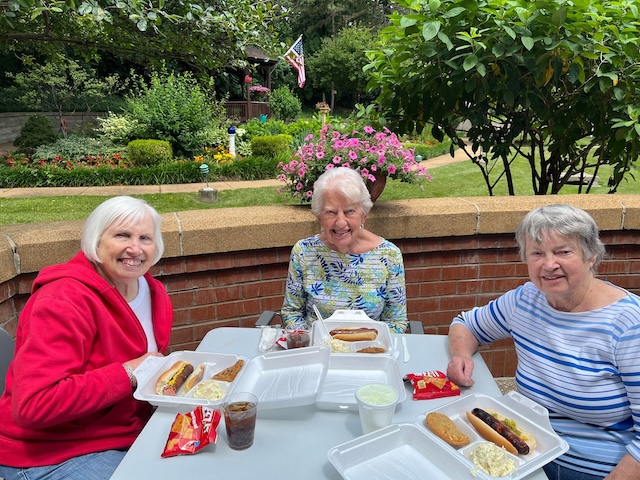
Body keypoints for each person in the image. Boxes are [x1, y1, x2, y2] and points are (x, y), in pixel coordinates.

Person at [446, 204, 640, 479]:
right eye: (537, 253)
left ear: (591, 255)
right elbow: (465, 325)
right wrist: (461, 355)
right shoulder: (526, 300)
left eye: (563, 252)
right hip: (525, 452)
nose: (549, 264)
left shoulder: (629, 324)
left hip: (596, 468)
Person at [0, 196, 173, 480]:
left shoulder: (152, 293)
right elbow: (33, 405)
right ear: (96, 241)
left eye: (145, 237)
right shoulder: (62, 300)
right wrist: (129, 372)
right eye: (122, 235)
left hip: (123, 433)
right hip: (50, 453)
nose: (135, 248)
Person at [281, 166, 408, 333]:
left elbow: (396, 322)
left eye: (349, 211)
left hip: (370, 351)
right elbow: (292, 313)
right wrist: (311, 340)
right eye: (331, 212)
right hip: (317, 349)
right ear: (319, 217)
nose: (340, 222)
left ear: (364, 215)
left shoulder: (389, 255)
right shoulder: (304, 252)